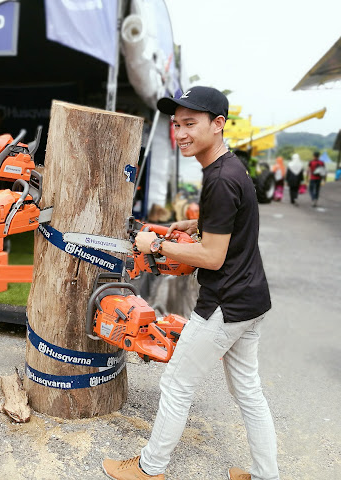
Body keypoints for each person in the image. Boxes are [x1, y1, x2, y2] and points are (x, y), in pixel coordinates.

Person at [102, 87, 278, 480]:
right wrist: (195, 226)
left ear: (218, 124)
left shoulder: (219, 179)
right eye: (176, 124)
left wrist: (157, 243)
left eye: (190, 124)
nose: (180, 133)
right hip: (252, 299)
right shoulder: (229, 168)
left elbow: (213, 257)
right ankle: (268, 476)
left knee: (176, 384)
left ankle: (150, 469)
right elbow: (235, 219)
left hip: (225, 304)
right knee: (248, 393)